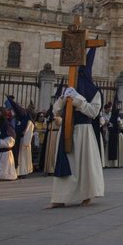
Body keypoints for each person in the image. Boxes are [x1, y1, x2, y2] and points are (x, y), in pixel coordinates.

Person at [46, 48, 105, 208]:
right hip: (67, 128)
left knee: (83, 164)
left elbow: (93, 112)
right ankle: (59, 197)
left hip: (84, 130)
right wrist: (64, 99)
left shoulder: (95, 92)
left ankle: (87, 195)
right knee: (65, 162)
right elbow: (55, 111)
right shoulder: (69, 87)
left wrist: (78, 100)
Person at [6, 97, 35, 178]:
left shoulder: (27, 120)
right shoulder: (18, 119)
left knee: (23, 158)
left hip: (23, 141)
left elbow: (28, 130)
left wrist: (26, 142)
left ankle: (23, 172)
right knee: (18, 156)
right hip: (17, 140)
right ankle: (17, 170)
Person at [0, 107, 18, 181]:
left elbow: (10, 135)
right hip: (3, 147)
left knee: (4, 164)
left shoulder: (6, 123)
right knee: (5, 164)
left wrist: (1, 141)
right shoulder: (1, 122)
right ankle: (6, 176)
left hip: (6, 146)